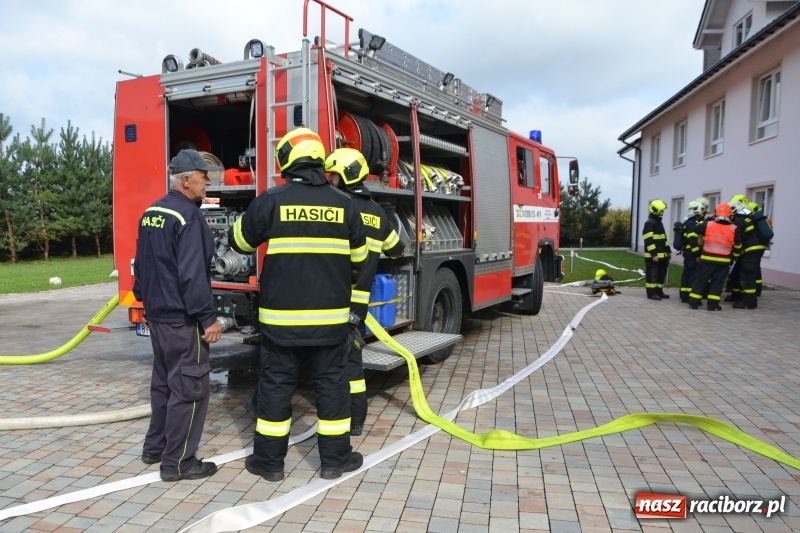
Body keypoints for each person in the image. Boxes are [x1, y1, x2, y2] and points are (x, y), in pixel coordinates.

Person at [229, 128, 368, 482]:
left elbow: (241, 242)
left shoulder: (271, 199)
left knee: (276, 387)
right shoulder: (345, 203)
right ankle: (335, 461)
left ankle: (269, 464)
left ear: (288, 159)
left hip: (281, 323)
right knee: (332, 387)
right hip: (330, 322)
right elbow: (361, 258)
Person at [133, 148, 223, 482]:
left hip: (157, 316)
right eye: (203, 177)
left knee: (164, 385)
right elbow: (192, 274)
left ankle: (154, 449)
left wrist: (144, 300)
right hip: (183, 320)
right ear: (186, 180)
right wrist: (208, 318)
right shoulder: (189, 217)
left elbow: (140, 264)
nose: (207, 183)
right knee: (190, 389)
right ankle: (179, 463)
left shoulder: (152, 212)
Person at [324, 148, 406, 436]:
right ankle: (357, 421)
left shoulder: (339, 205)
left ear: (345, 175)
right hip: (359, 307)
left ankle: (335, 420)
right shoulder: (377, 212)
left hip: (333, 300)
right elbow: (397, 250)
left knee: (324, 364)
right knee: (353, 366)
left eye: (332, 174)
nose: (329, 179)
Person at [687, 202, 742, 311]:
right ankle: (713, 305)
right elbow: (738, 246)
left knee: (701, 280)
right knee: (717, 283)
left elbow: (697, 229)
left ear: (716, 214)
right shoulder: (734, 228)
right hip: (723, 262)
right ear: (730, 215)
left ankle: (694, 303)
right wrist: (734, 258)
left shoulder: (708, 224)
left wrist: (708, 219)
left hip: (707, 259)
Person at [642, 199, 671, 300]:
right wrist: (654, 254)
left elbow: (664, 239)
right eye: (661, 211)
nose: (662, 213)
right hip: (653, 256)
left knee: (661, 275)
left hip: (662, 256)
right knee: (652, 275)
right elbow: (649, 241)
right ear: (655, 210)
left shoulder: (659, 223)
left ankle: (659, 291)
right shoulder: (649, 224)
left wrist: (668, 251)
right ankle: (651, 293)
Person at [675, 200, 703, 302]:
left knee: (687, 273)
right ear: (697, 210)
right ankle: (690, 296)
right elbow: (692, 241)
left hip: (688, 253)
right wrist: (697, 255)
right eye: (701, 209)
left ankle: (684, 295)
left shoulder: (688, 222)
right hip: (691, 254)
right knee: (692, 275)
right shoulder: (692, 224)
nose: (703, 212)